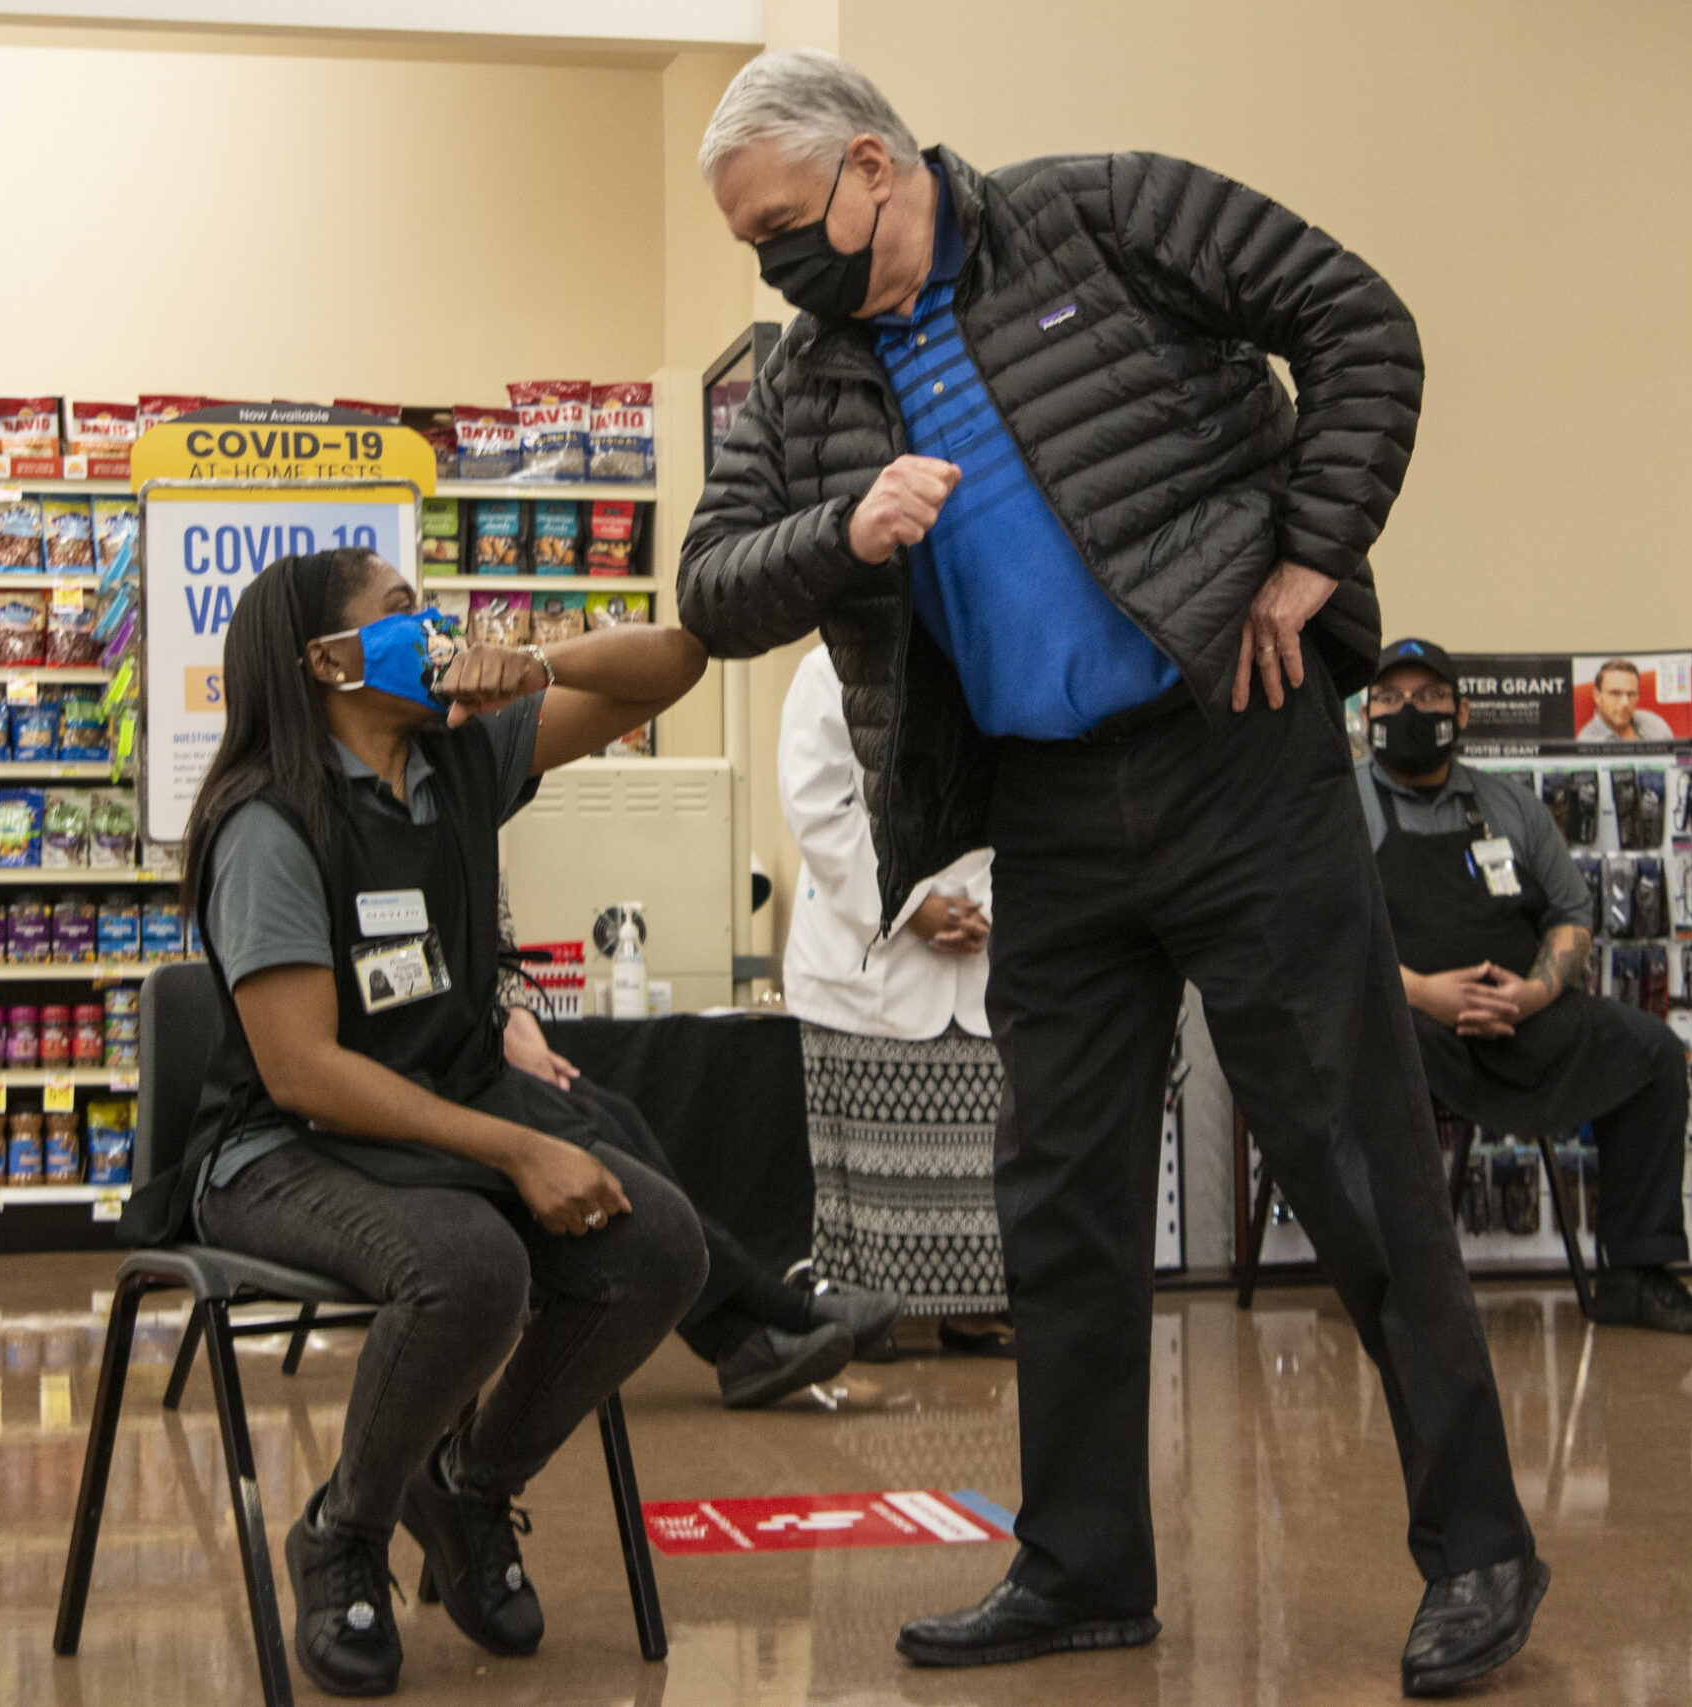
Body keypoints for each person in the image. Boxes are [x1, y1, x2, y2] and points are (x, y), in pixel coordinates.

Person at [678, 49, 1545, 1695]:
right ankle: (1081, 1565)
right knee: (1060, 1197)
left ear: (874, 166)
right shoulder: (805, 386)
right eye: (752, 248)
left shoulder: (1103, 214)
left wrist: (1309, 552)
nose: (777, 269)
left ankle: (1482, 1547)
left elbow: (1358, 319)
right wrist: (841, 531)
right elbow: (713, 581)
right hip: (1049, 814)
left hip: (1242, 743)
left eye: (788, 226)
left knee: (1353, 1160)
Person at [130, 548, 717, 1698]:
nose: (433, 626)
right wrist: (515, 1145)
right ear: (331, 661)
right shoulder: (269, 824)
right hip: (280, 1148)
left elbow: (674, 666)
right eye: (402, 615)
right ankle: (343, 1533)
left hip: (427, 1120)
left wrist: (533, 663)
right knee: (470, 1265)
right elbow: (302, 1071)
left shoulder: (461, 757)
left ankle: (468, 1486)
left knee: (658, 1246)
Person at [1358, 639, 1692, 1335]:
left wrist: (1532, 993)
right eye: (1391, 698)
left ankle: (1636, 1275)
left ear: (1461, 711)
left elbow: (1571, 916)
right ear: (1367, 712)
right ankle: (1402, 1284)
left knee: (1650, 1053)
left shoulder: (1509, 804)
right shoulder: (1340, 805)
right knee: (1376, 1046)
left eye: (1428, 697)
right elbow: (1323, 936)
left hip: (1521, 1015)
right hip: (1408, 1019)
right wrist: (1424, 992)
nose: (1409, 710)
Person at [491, 938, 903, 1407]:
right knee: (599, 1138)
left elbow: (500, 971)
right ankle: (775, 1314)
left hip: (500, 1058)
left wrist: (533, 1052)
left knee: (618, 1116)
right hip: (454, 1081)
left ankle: (745, 1342)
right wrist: (499, 1050)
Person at [778, 644, 1013, 1355]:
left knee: (984, 1157)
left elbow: (1035, 796)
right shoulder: (829, 669)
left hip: (982, 938)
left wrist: (987, 909)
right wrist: (912, 905)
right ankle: (871, 1317)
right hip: (865, 953)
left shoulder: (998, 657)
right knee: (862, 1174)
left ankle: (975, 1311)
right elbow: (818, 805)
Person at [1578, 659, 1673, 742]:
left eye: (1631, 694)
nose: (1625, 703)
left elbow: (1681, 760)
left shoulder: (1655, 724)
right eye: (1615, 693)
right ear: (1597, 696)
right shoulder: (1587, 740)